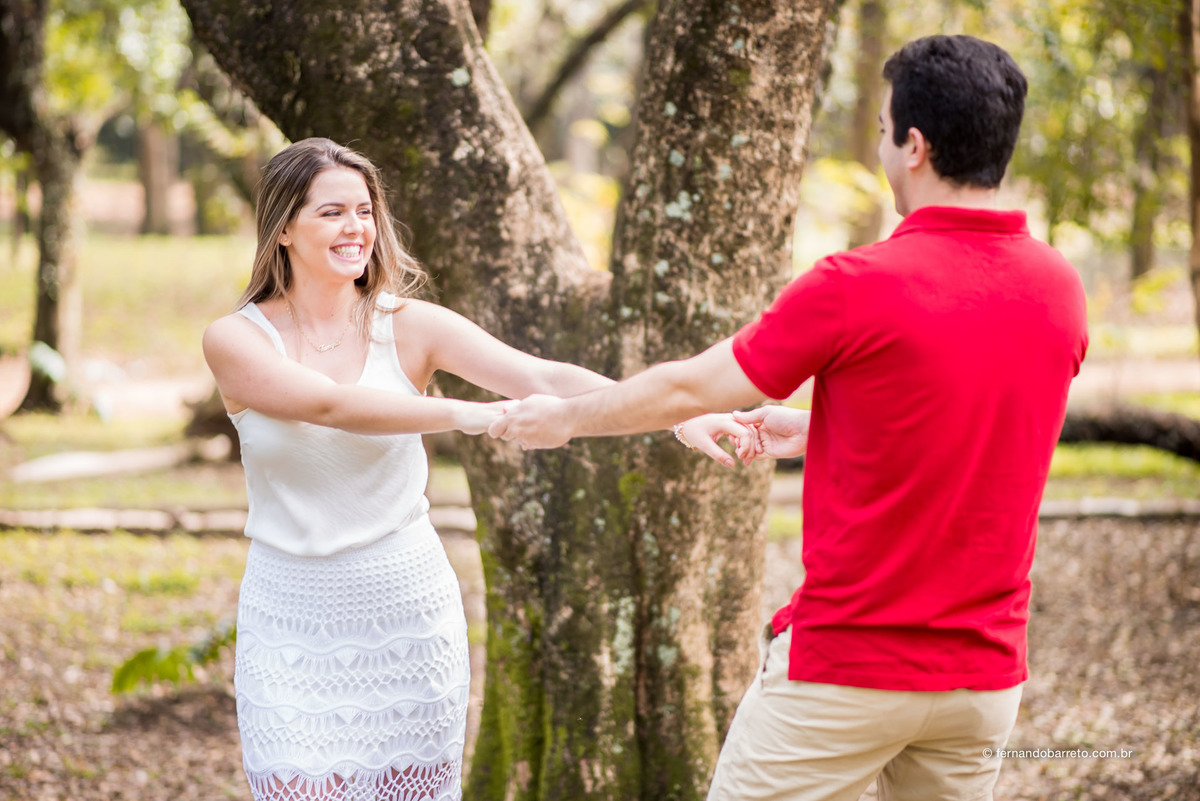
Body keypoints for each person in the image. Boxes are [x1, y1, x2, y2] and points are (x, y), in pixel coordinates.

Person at [491, 34, 1088, 801]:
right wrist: (828, 429)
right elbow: (982, 429)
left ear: (914, 145)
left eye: (881, 129)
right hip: (982, 683)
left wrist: (565, 418)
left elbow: (688, 388)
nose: (878, 145)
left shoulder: (856, 284)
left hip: (847, 673)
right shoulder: (1058, 288)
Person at [202, 137, 615, 801]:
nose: (356, 227)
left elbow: (541, 375)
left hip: (405, 612)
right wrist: (465, 415)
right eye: (332, 212)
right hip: (290, 618)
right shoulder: (237, 339)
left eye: (364, 211)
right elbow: (331, 405)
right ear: (283, 227)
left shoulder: (408, 325)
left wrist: (682, 415)